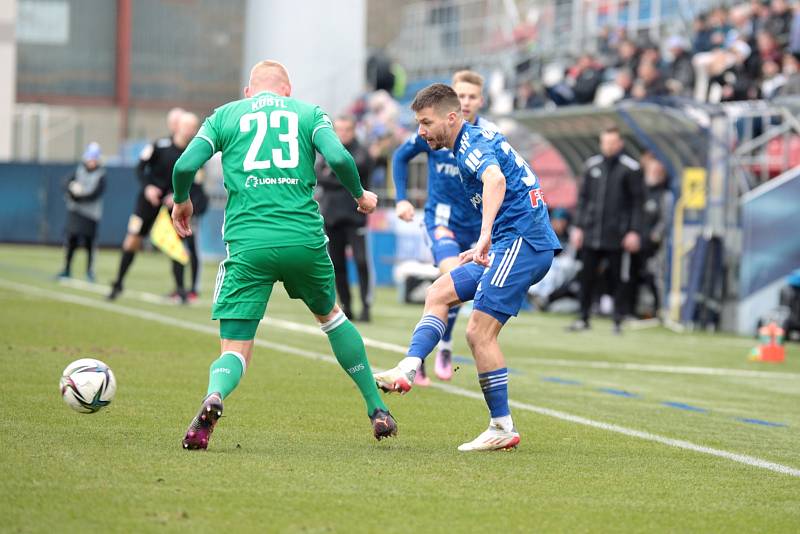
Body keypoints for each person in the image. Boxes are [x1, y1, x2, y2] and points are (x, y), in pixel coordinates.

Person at [170, 60, 396, 450]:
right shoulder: (308, 113)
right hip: (303, 240)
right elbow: (340, 159)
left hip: (249, 244)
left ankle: (215, 395)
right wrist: (360, 195)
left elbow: (184, 164)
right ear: (287, 90)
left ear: (248, 92)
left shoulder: (226, 115)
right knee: (332, 317)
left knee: (236, 346)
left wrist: (181, 200)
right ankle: (377, 408)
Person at [374, 83, 561, 451]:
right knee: (439, 291)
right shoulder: (467, 141)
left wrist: (485, 236)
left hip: (523, 241)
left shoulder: (471, 145)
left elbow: (496, 179)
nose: (422, 130)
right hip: (513, 241)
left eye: (426, 122)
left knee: (478, 332)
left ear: (452, 117)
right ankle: (409, 368)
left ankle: (501, 425)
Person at [392, 70, 498, 387]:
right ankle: (422, 356)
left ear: (480, 101)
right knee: (451, 277)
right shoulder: (434, 128)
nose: (465, 101)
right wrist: (401, 199)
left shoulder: (487, 135)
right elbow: (400, 156)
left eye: (471, 97)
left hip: (475, 223)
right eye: (460, 95)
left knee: (454, 290)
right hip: (441, 217)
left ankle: (443, 344)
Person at [108, 111, 199, 301]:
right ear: (177, 126)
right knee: (133, 239)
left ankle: (180, 290)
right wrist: (148, 187)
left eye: (193, 127)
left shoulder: (194, 152)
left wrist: (177, 195)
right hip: (148, 202)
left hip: (173, 205)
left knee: (176, 244)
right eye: (187, 126)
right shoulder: (159, 146)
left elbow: (196, 181)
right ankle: (118, 283)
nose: (190, 131)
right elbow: (140, 168)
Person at [568, 126, 643, 334]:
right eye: (605, 143)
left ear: (620, 144)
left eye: (612, 143)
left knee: (619, 277)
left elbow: (638, 203)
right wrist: (578, 227)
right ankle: (583, 317)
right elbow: (583, 200)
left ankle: (618, 320)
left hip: (618, 235)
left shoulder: (631, 168)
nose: (608, 147)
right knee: (586, 275)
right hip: (592, 233)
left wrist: (634, 231)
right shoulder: (592, 166)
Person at [316, 115, 374, 322]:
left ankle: (366, 306)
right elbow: (319, 175)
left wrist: (332, 175)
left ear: (353, 130)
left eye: (346, 129)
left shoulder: (361, 152)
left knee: (361, 262)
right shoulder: (328, 151)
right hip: (331, 217)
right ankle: (347, 305)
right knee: (337, 264)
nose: (342, 134)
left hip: (355, 216)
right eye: (338, 129)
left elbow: (351, 171)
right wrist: (335, 175)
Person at [57, 142, 106, 282]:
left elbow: (95, 194)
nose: (91, 161)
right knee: (71, 240)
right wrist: (72, 191)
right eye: (90, 158)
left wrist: (79, 196)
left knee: (90, 243)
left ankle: (89, 271)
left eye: (94, 158)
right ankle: (66, 269)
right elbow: (65, 183)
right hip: (75, 211)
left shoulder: (101, 175)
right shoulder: (79, 170)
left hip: (91, 214)